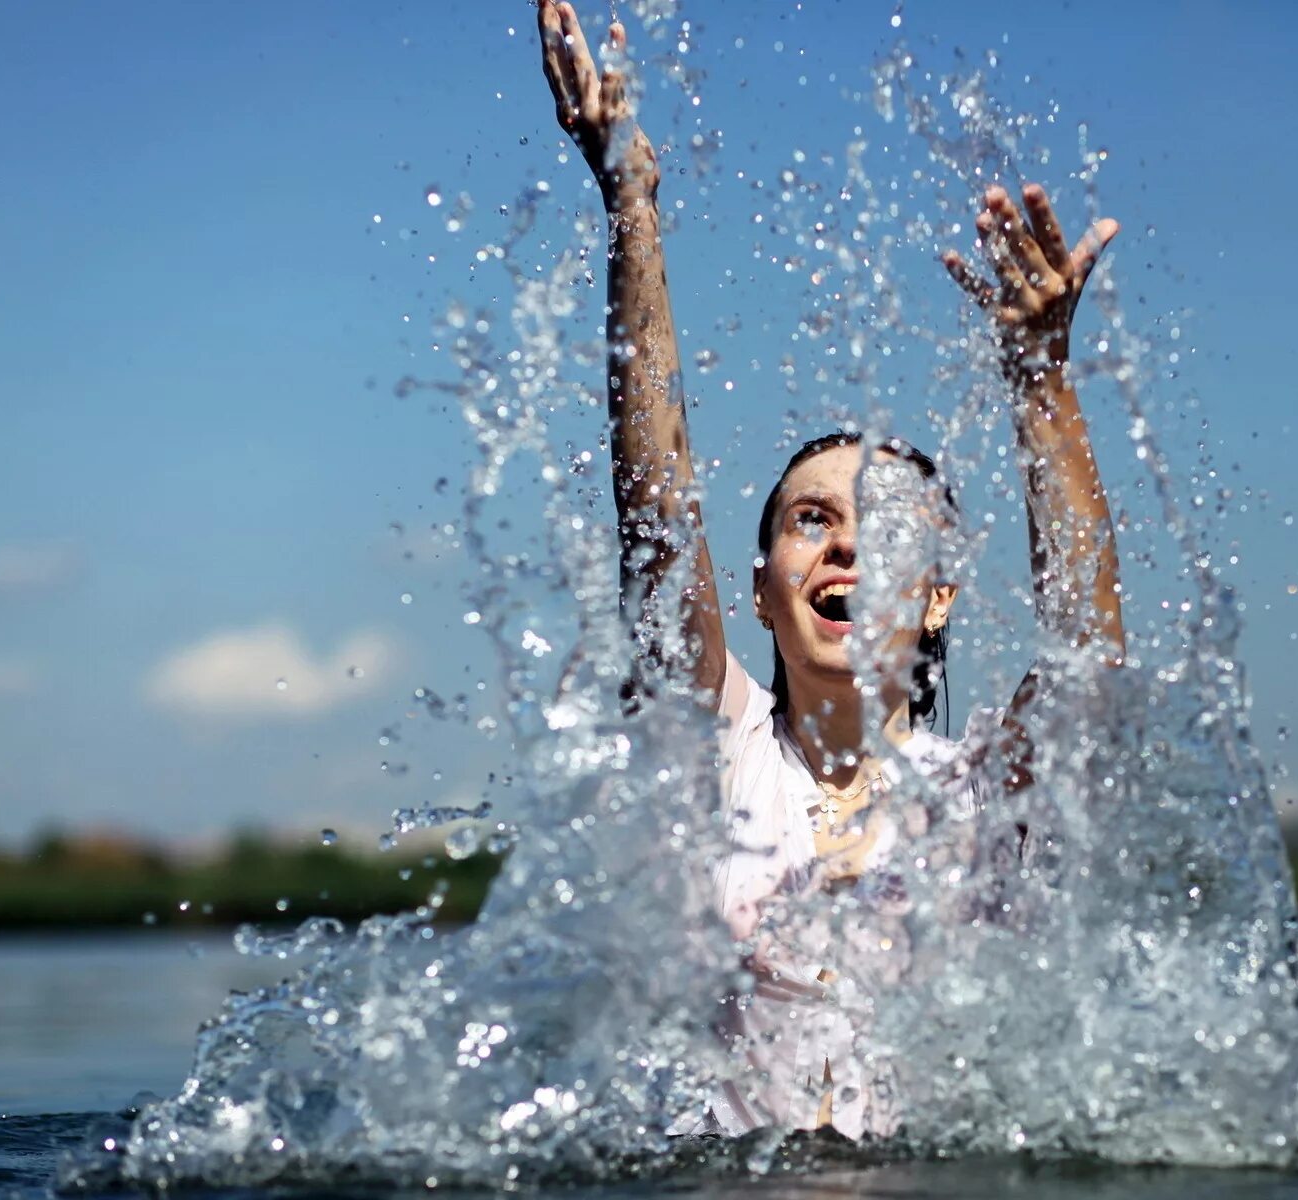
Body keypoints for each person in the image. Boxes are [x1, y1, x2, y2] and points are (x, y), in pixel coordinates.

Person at [535, 0, 1126, 1140]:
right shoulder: (716, 757)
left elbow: (1090, 663)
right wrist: (632, 209)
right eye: (811, 521)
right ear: (761, 588)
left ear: (940, 590)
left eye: (887, 525)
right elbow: (655, 520)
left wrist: (1041, 382)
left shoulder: (980, 795)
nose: (848, 543)